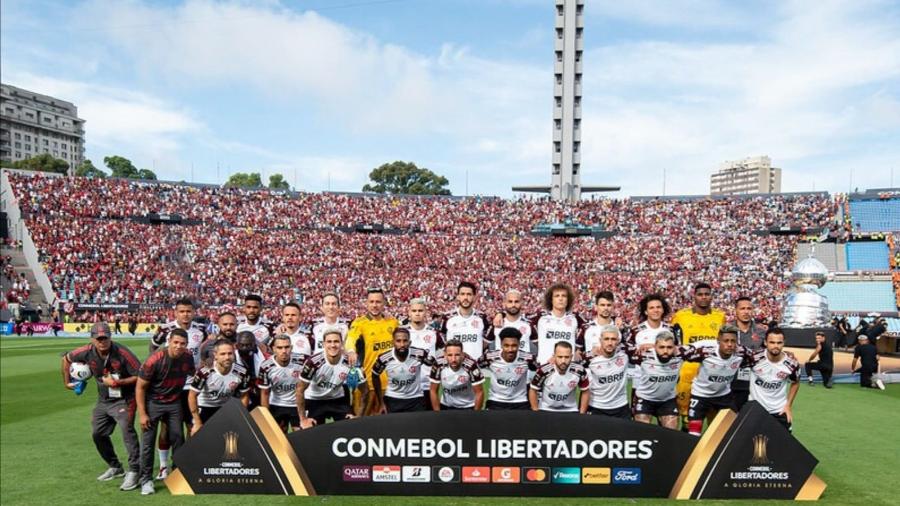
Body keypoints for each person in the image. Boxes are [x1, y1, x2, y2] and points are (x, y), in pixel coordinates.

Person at [61, 322, 141, 491]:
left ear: (111, 337)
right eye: (99, 338)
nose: (102, 341)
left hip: (125, 399)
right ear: (93, 339)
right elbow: (66, 359)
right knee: (98, 433)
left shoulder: (123, 353)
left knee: (127, 430)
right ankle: (115, 466)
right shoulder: (85, 352)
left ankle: (134, 471)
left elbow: (140, 375)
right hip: (104, 400)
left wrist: (117, 382)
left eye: (105, 337)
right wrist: (67, 383)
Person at [147, 298, 207, 480]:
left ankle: (187, 463)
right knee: (166, 429)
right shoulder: (165, 329)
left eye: (188, 311)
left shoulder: (201, 330)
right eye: (182, 311)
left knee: (192, 426)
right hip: (171, 386)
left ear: (193, 312)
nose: (185, 314)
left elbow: (205, 351)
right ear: (176, 312)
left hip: (192, 386)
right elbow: (153, 348)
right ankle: (164, 466)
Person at [136, 329, 195, 495]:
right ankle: (146, 480)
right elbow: (140, 387)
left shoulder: (187, 357)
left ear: (186, 345)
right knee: (148, 442)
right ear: (169, 341)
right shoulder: (154, 360)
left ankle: (177, 475)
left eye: (182, 343)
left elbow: (195, 374)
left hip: (174, 402)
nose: (178, 346)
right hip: (153, 403)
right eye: (175, 342)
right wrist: (142, 414)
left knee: (178, 437)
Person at [672, 283, 726, 431]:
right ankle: (688, 446)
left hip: (711, 372)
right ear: (694, 296)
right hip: (687, 372)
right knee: (687, 416)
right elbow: (675, 342)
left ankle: (711, 448)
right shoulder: (681, 316)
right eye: (700, 294)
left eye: (707, 294)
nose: (703, 297)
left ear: (711, 296)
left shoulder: (720, 316)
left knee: (714, 417)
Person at [682, 325, 750, 436]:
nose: (729, 344)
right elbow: (680, 353)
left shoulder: (742, 353)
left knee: (734, 429)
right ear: (718, 340)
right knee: (693, 433)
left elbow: (761, 358)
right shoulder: (706, 352)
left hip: (723, 395)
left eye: (733, 341)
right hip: (700, 395)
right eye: (726, 341)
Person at [297, 329, 367, 428]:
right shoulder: (312, 363)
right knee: (309, 430)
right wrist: (303, 419)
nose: (333, 345)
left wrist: (359, 416)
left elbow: (364, 391)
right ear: (324, 344)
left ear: (342, 343)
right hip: (314, 400)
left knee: (352, 427)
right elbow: (300, 390)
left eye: (336, 341)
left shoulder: (351, 363)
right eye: (329, 342)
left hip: (337, 400)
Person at [187, 339, 251, 434]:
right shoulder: (204, 373)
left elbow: (244, 396)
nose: (227, 357)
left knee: (230, 441)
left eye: (230, 353)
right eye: (223, 354)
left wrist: (240, 416)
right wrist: (197, 422)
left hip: (226, 408)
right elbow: (192, 396)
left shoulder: (242, 372)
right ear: (215, 355)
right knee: (197, 437)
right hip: (205, 407)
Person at [628, 330, 684, 430]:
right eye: (661, 347)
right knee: (643, 434)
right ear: (655, 347)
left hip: (667, 400)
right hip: (645, 399)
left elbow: (700, 347)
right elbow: (622, 348)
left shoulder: (680, 355)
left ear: (674, 347)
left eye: (669, 347)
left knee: (671, 434)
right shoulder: (644, 355)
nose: (665, 351)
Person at [747, 328, 800, 431]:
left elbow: (796, 382)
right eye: (772, 342)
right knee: (754, 444)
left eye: (779, 342)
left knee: (782, 444)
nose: (776, 346)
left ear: (784, 343)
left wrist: (788, 406)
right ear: (765, 342)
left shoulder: (792, 364)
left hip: (779, 410)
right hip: (755, 409)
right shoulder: (754, 358)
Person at [371, 327, 433, 413]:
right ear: (393, 342)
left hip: (416, 398)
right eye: (398, 341)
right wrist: (381, 402)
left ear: (410, 342)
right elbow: (374, 375)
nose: (402, 344)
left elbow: (434, 365)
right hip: (393, 398)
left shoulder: (420, 354)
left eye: (405, 341)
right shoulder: (384, 358)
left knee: (418, 426)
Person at [478, 328, 538, 410]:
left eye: (514, 346)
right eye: (506, 345)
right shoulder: (489, 357)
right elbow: (476, 366)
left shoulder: (528, 358)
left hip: (520, 401)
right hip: (495, 401)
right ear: (501, 344)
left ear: (519, 344)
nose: (510, 350)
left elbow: (539, 370)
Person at [529, 283, 586, 365]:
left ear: (568, 299)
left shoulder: (575, 318)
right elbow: (519, 321)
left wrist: (579, 350)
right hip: (545, 366)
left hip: (568, 367)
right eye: (557, 296)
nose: (560, 299)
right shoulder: (540, 317)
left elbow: (590, 329)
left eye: (564, 296)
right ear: (551, 300)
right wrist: (503, 315)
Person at [582, 325, 630, 420]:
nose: (610, 343)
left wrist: (650, 345)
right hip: (597, 407)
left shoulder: (625, 354)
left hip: (621, 407)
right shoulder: (590, 358)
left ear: (618, 341)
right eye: (606, 339)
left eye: (613, 339)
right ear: (600, 340)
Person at [259, 335, 306, 432]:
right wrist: (266, 417)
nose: (284, 351)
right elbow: (265, 393)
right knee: (278, 437)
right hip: (277, 404)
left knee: (301, 435)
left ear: (291, 348)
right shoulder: (266, 366)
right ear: (274, 349)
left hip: (297, 405)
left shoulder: (303, 361)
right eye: (280, 348)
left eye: (287, 347)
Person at [404, 298, 444, 410]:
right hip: (407, 385)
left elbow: (444, 352)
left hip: (428, 386)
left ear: (425, 312)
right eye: (414, 310)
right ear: (409, 312)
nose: (417, 313)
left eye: (420, 310)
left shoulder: (433, 333)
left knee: (429, 422)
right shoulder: (402, 332)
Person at [528, 341, 589, 413]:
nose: (563, 361)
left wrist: (582, 414)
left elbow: (586, 391)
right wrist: (536, 412)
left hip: (570, 410)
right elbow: (533, 390)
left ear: (571, 357)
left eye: (567, 357)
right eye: (560, 357)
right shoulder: (544, 370)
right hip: (546, 409)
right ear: (554, 356)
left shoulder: (579, 370)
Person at [439, 281, 493, 361]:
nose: (465, 298)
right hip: (454, 367)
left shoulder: (482, 318)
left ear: (474, 297)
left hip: (475, 367)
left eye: (469, 294)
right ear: (458, 296)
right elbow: (442, 343)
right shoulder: (447, 318)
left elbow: (486, 342)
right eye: (462, 294)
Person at [731, 297, 767, 410]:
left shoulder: (761, 331)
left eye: (749, 308)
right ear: (735, 310)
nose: (746, 312)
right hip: (730, 382)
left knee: (749, 419)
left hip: (754, 383)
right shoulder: (727, 330)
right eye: (742, 308)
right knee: (729, 419)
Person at [429, 339, 485, 411]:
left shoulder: (471, 365)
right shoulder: (438, 365)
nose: (453, 359)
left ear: (462, 354)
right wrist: (437, 413)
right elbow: (433, 390)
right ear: (445, 355)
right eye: (450, 355)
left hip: (468, 406)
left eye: (457, 355)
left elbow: (479, 392)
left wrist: (475, 414)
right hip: (446, 406)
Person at [235, 330, 268, 409]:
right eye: (242, 345)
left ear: (254, 345)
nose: (245, 348)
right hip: (237, 392)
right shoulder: (231, 357)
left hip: (258, 393)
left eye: (248, 345)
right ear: (237, 345)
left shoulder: (265, 357)